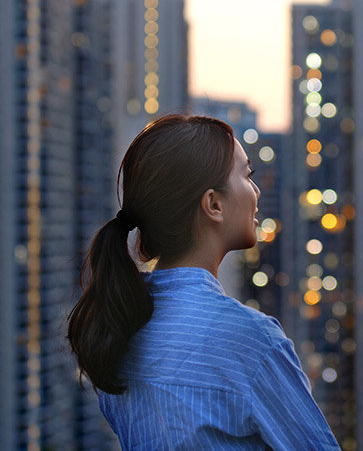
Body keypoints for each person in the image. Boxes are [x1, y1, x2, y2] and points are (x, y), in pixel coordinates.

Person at [67, 115, 340, 450]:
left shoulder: (120, 325)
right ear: (213, 204)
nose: (256, 191)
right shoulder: (250, 340)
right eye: (247, 175)